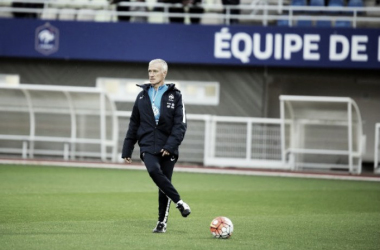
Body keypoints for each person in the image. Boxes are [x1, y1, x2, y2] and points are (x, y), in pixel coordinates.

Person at [121, 59, 190, 233]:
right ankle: (179, 202)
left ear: (164, 73)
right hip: (148, 145)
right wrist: (127, 148)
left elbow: (180, 125)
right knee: (153, 171)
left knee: (163, 184)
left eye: (155, 71)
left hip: (168, 146)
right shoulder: (142, 95)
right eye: (149, 71)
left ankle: (162, 222)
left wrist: (170, 146)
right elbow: (134, 123)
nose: (151, 74)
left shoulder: (176, 95)